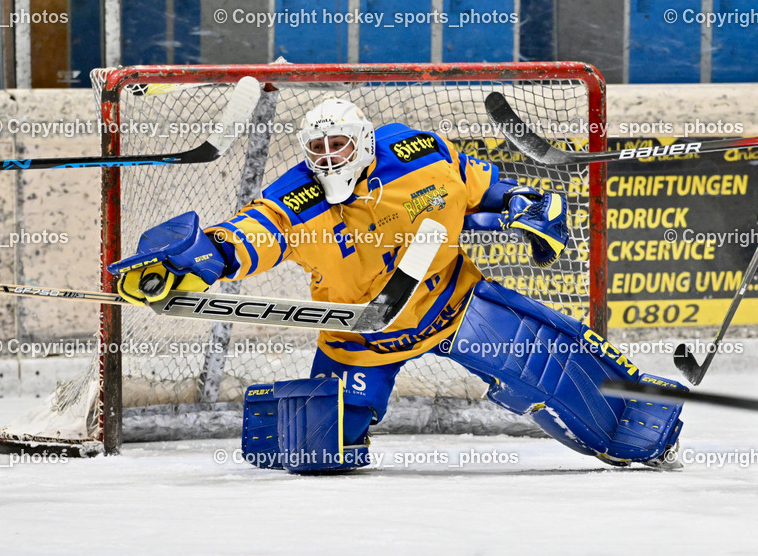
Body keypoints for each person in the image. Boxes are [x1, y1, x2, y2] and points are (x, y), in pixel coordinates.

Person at [109, 96, 687, 472]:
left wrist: (520, 201)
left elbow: (483, 184)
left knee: (567, 378)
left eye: (339, 146)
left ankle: (639, 424)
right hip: (363, 336)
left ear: (364, 144)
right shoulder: (298, 196)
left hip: (453, 302)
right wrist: (200, 260)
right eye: (317, 149)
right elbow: (257, 231)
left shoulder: (420, 154)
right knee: (318, 451)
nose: (328, 158)